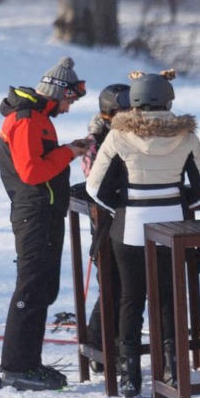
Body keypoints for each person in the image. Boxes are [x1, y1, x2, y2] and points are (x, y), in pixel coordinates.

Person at [86, 72, 200, 398]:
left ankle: (130, 376)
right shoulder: (186, 135)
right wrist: (177, 199)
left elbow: (95, 188)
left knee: (131, 296)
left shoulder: (117, 136)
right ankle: (172, 369)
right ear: (169, 100)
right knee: (170, 297)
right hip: (173, 227)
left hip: (130, 226)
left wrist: (123, 204)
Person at [0, 57, 90, 390]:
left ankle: (28, 362)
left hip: (45, 213)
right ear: (58, 92)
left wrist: (69, 149)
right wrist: (69, 153)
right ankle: (16, 366)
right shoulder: (26, 119)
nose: (68, 107)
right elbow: (32, 172)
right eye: (70, 100)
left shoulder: (40, 119)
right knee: (32, 285)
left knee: (44, 287)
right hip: (33, 214)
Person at [78, 83, 131, 359]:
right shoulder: (96, 139)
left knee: (131, 285)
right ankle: (100, 345)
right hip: (107, 221)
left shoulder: (131, 134)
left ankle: (120, 342)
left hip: (131, 217)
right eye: (124, 110)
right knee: (112, 284)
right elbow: (94, 179)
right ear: (110, 113)